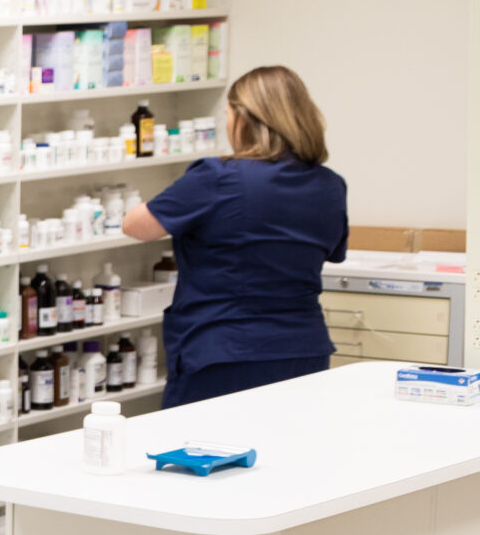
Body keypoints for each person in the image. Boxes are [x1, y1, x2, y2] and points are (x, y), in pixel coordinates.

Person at [121, 64, 348, 409]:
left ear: (245, 118)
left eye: (228, 114)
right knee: (293, 454)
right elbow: (332, 251)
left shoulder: (218, 177)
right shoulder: (330, 185)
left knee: (201, 452)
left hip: (224, 353)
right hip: (303, 352)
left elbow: (135, 225)